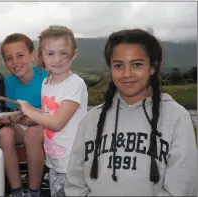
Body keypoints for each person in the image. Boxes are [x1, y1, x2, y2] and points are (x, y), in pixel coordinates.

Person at [64, 29, 198, 196]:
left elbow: (183, 186)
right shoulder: (91, 120)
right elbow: (75, 182)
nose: (127, 74)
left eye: (137, 64)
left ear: (152, 68)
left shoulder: (176, 117)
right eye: (119, 65)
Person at [17, 25, 88, 197]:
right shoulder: (47, 82)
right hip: (55, 160)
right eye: (50, 53)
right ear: (41, 55)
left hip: (72, 162)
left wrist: (29, 112)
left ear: (74, 53)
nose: (57, 59)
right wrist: (35, 110)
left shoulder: (74, 85)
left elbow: (57, 123)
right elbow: (50, 112)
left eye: (63, 53)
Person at [0, 33, 48, 197]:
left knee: (32, 134)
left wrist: (28, 118)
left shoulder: (45, 77)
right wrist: (10, 118)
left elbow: (51, 113)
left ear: (32, 55)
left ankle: (34, 191)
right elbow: (14, 112)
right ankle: (17, 190)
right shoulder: (8, 82)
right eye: (9, 58)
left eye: (20, 55)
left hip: (45, 126)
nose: (15, 62)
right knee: (5, 133)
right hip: (24, 124)